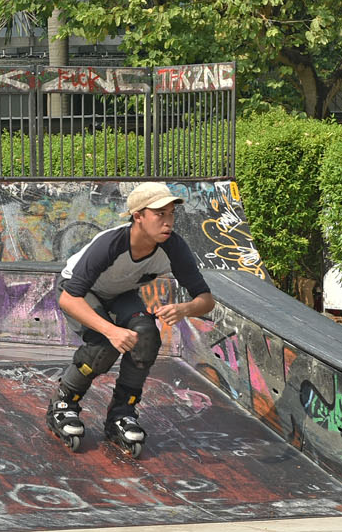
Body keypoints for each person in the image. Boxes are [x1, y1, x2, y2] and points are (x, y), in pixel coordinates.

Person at [46, 182, 217, 455]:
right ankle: (64, 403)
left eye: (171, 214)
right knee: (104, 345)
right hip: (80, 293)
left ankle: (121, 413)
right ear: (138, 216)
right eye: (159, 214)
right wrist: (111, 331)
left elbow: (206, 299)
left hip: (120, 295)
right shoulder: (111, 244)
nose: (168, 222)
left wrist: (184, 309)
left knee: (146, 337)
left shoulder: (174, 247)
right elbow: (68, 298)